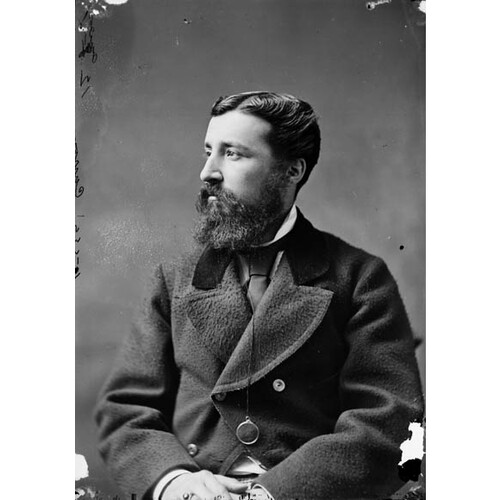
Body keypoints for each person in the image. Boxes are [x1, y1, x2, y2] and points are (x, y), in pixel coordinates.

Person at [94, 91, 424, 500]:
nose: (208, 172)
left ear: (291, 171)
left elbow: (392, 423)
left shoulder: (358, 278)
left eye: (232, 154)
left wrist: (273, 493)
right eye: (209, 152)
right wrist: (175, 481)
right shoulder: (175, 278)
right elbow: (126, 409)